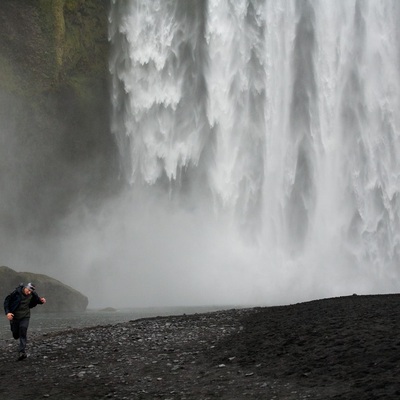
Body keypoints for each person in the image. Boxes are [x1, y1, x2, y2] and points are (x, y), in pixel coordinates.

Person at [4, 282, 46, 360]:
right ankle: (15, 333)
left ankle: (22, 352)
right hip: (15, 317)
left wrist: (42, 301)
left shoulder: (33, 294)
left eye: (31, 291)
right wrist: (8, 313)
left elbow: (37, 300)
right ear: (25, 287)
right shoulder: (16, 292)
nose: (29, 292)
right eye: (28, 290)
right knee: (16, 335)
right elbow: (6, 302)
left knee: (23, 330)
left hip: (25, 316)